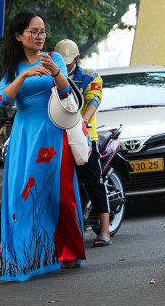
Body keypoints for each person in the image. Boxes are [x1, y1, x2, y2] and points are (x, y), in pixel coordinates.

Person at [0, 11, 85, 281]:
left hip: (54, 131)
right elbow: (2, 99)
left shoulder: (52, 58)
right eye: (34, 32)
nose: (39, 36)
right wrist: (23, 77)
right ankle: (24, 257)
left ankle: (67, 252)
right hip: (25, 135)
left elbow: (65, 90)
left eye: (42, 31)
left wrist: (54, 70)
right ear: (18, 35)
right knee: (25, 196)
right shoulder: (13, 68)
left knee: (60, 194)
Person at [53, 39, 110, 248]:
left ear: (77, 59)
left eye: (68, 62)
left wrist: (83, 120)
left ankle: (104, 230)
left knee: (94, 181)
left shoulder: (90, 77)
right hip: (57, 138)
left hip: (85, 137)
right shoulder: (49, 76)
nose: (65, 66)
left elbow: (94, 99)